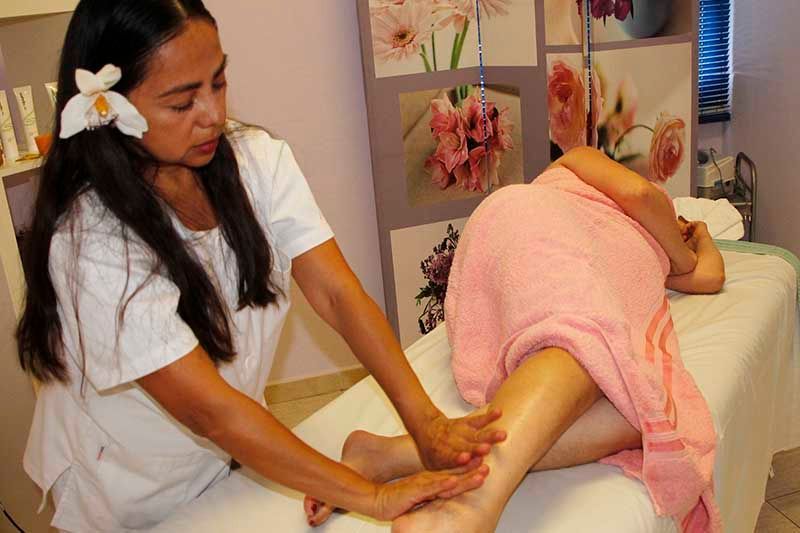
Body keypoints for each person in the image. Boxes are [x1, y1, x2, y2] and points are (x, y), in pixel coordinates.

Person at [16, 1, 506, 531]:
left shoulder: (256, 161)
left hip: (228, 456)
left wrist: (426, 424)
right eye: (182, 103)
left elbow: (338, 296)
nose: (213, 115)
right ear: (111, 110)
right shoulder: (92, 239)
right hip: (124, 488)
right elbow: (209, 411)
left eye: (219, 82)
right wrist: (373, 498)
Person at [305, 147, 726, 531]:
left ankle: (389, 455)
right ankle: (470, 502)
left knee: (648, 416)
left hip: (547, 273)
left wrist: (699, 237)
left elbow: (711, 276)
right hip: (531, 224)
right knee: (582, 338)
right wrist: (681, 242)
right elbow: (640, 193)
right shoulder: (583, 177)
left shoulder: (652, 253)